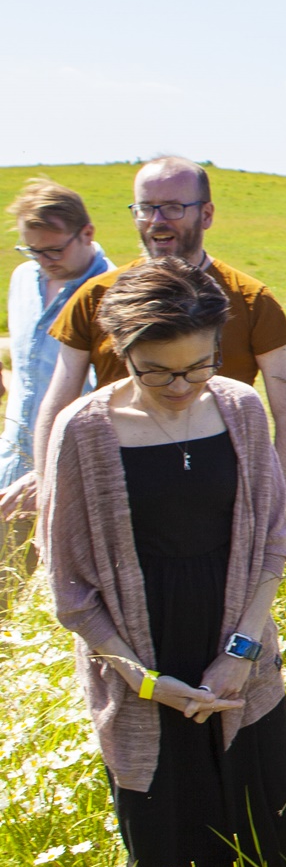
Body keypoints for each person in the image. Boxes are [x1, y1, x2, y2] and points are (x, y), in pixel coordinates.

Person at [41, 259, 286, 867]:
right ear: (122, 351)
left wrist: (241, 653)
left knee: (266, 826)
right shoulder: (83, 430)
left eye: (200, 365)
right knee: (167, 848)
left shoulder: (241, 409)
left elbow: (273, 540)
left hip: (238, 666)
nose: (184, 387)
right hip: (142, 676)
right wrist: (142, 680)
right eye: (159, 371)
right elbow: (68, 586)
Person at [33, 157, 286, 498]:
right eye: (146, 208)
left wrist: (278, 504)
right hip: (113, 485)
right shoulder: (95, 297)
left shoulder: (252, 300)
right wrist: (48, 494)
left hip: (222, 488)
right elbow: (58, 406)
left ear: (206, 215)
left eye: (173, 208)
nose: (157, 221)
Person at [2, 178, 112, 605]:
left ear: (87, 233)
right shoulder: (21, 279)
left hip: (69, 473)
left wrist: (47, 472)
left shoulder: (113, 291)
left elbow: (106, 398)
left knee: (65, 601)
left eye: (54, 250)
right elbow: (27, 377)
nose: (44, 260)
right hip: (10, 460)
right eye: (33, 250)